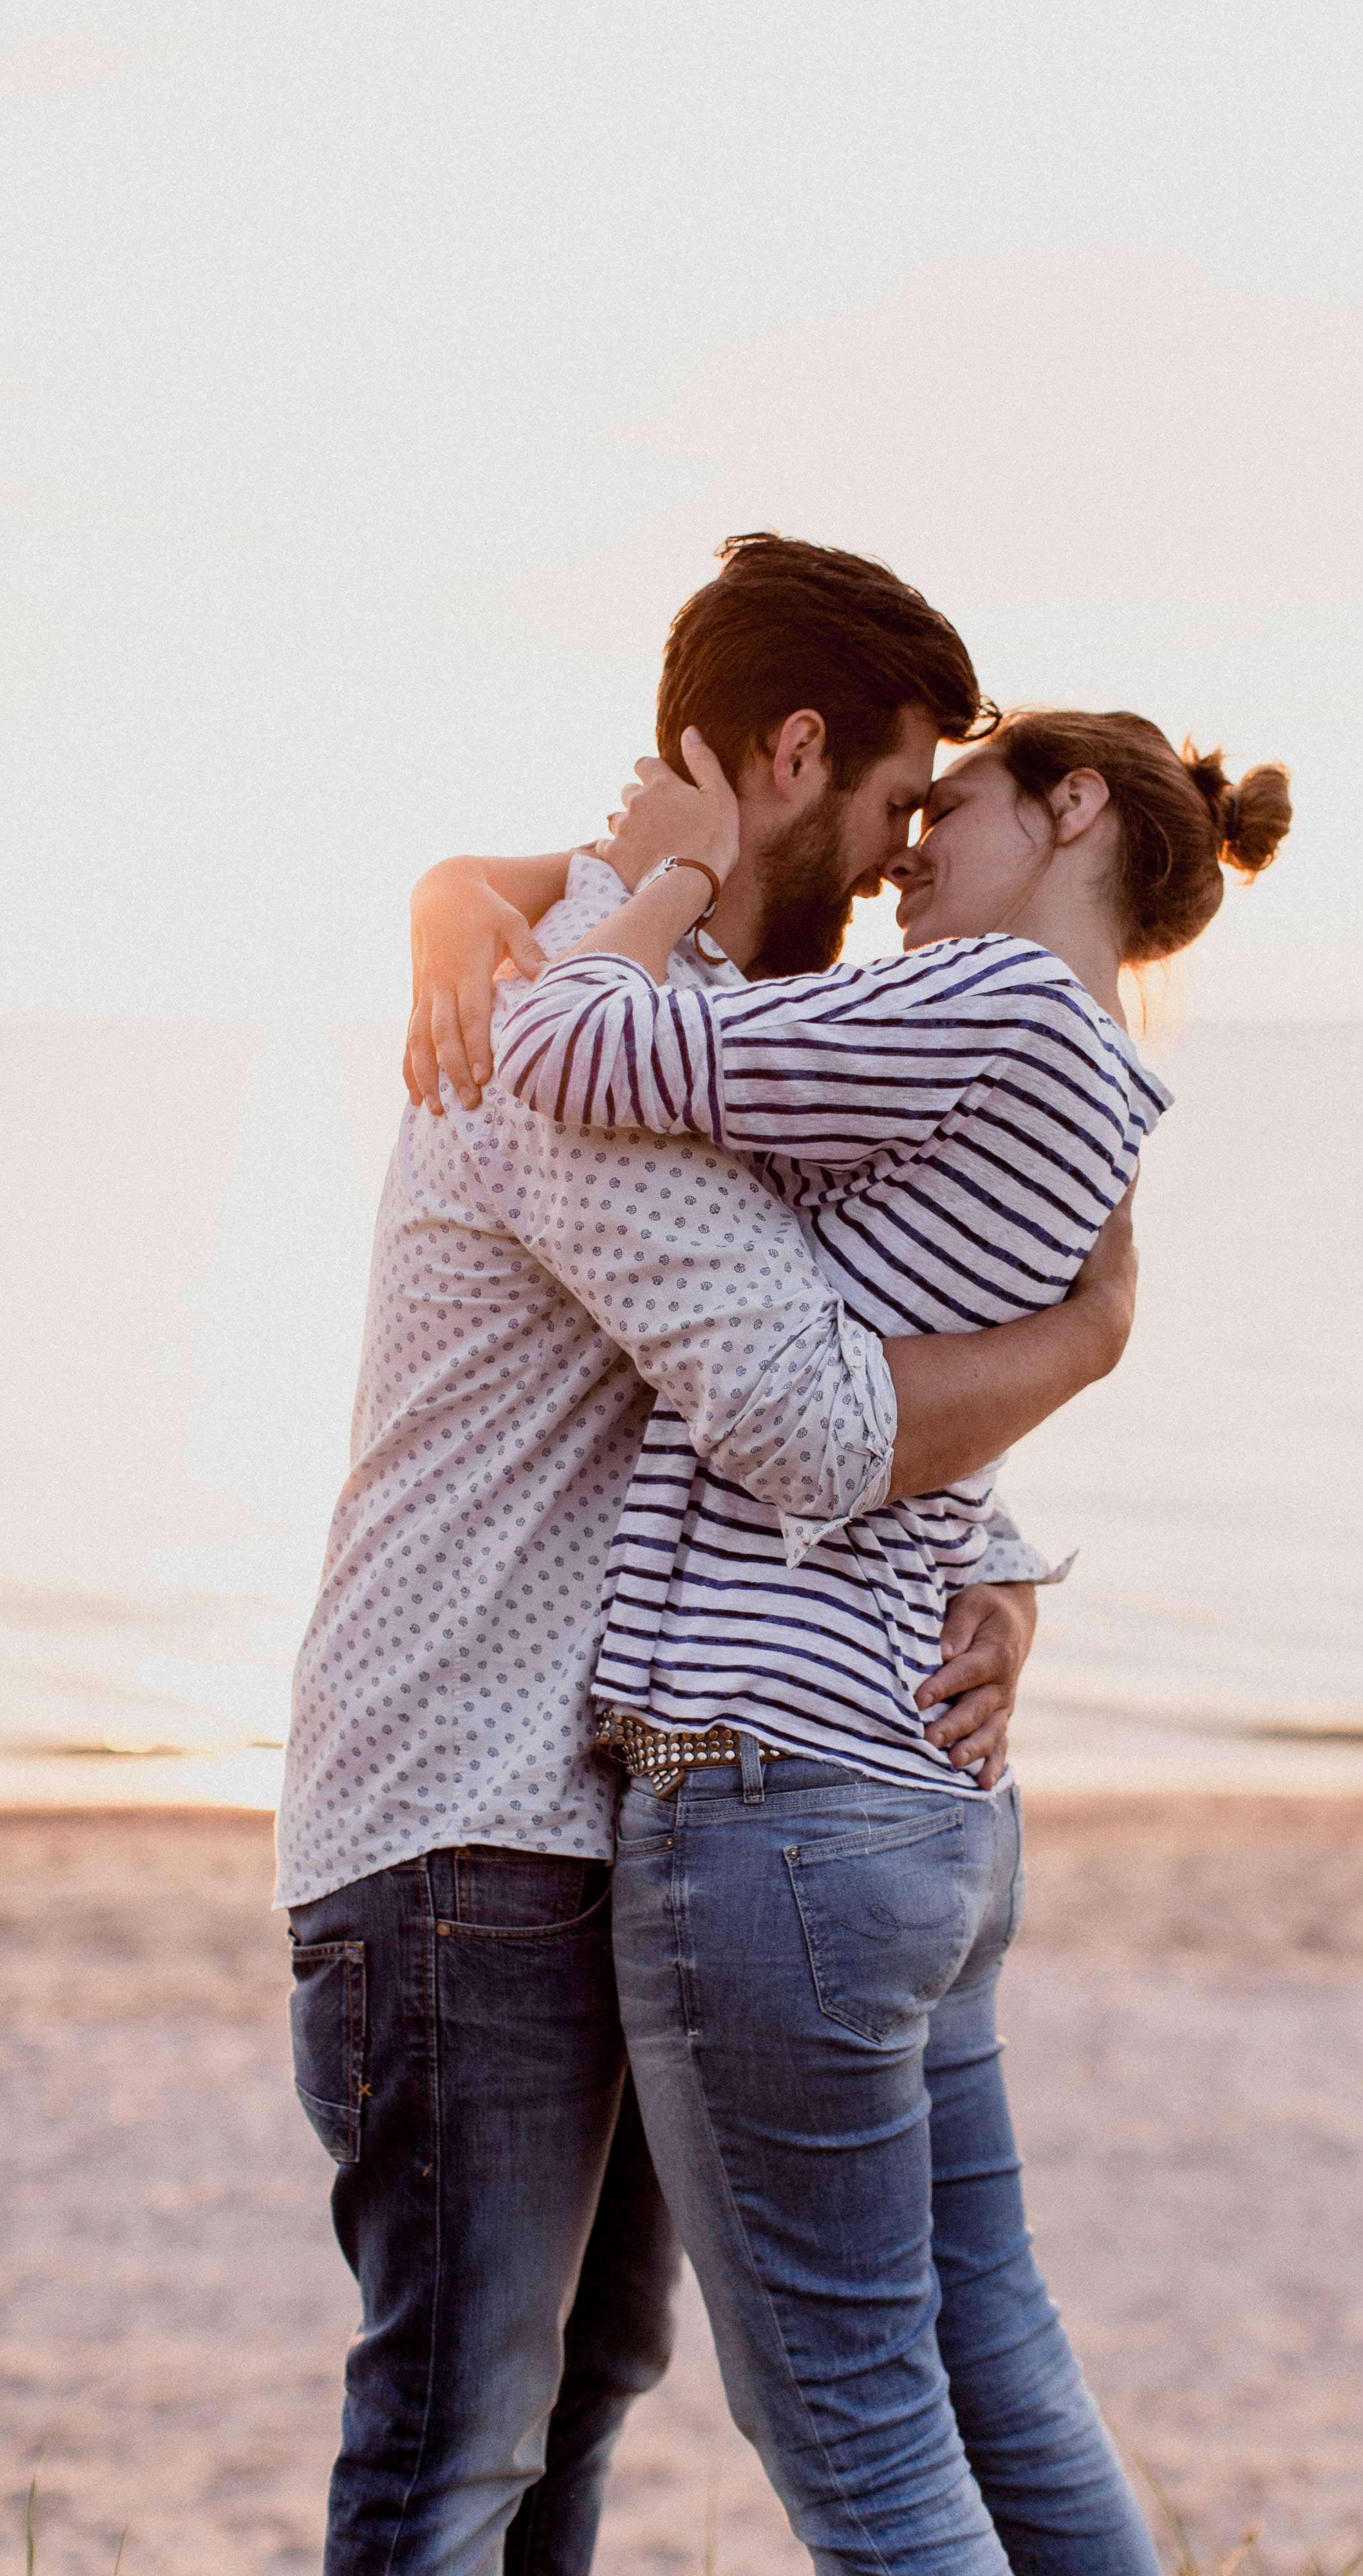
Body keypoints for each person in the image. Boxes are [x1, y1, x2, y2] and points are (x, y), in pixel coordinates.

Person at [279, 534, 1139, 2576]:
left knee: (566, 2415)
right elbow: (817, 1413)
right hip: (460, 1837)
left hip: (606, 1825)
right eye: (895, 791)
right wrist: (1087, 1340)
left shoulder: (691, 1020)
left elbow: (838, 1304)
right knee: (456, 2453)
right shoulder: (560, 1032)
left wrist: (998, 1551)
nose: (904, 855)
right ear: (792, 751)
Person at [451, 702, 1293, 2572]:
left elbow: (570, 1041)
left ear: (1069, 805)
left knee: (854, 2421)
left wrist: (667, 861)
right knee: (993, 2360)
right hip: (917, 1799)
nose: (905, 853)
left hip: (774, 1810)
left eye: (949, 805)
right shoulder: (1095, 1080)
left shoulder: (988, 1008)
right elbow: (921, 1394)